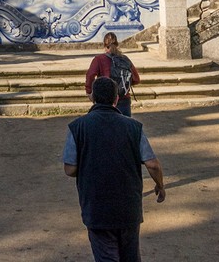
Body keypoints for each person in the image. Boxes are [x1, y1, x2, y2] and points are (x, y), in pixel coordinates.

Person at [63, 76, 166, 262]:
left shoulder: (77, 127)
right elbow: (152, 164)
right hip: (128, 207)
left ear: (92, 97)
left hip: (96, 207)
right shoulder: (134, 127)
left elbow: (69, 169)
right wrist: (160, 185)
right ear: (116, 99)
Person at [85, 32, 140, 117]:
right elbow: (136, 79)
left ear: (104, 45)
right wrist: (123, 84)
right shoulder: (125, 59)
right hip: (124, 100)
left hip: (106, 101)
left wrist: (90, 92)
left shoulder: (99, 59)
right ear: (117, 44)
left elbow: (90, 75)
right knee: (125, 128)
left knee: (106, 128)